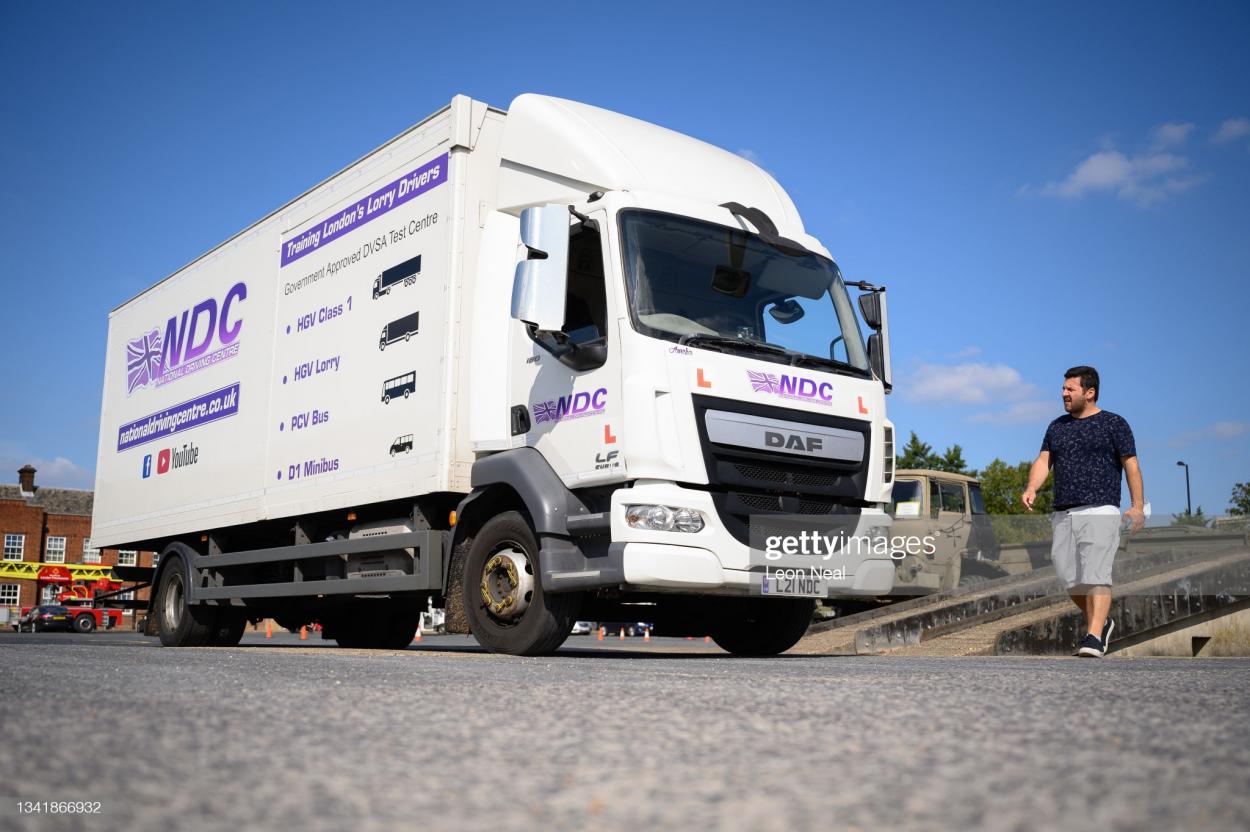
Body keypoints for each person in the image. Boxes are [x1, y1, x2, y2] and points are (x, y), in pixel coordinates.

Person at [1022, 366, 1145, 658]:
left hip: (1101, 508)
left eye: (1070, 389)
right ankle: (1103, 622)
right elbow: (1043, 461)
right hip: (1064, 511)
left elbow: (1132, 466)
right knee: (1068, 576)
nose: (1063, 393)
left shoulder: (1114, 424)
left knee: (1096, 573)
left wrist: (1137, 505)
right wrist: (1031, 487)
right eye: (1063, 388)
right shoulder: (1057, 427)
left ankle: (1093, 636)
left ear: (1089, 393)